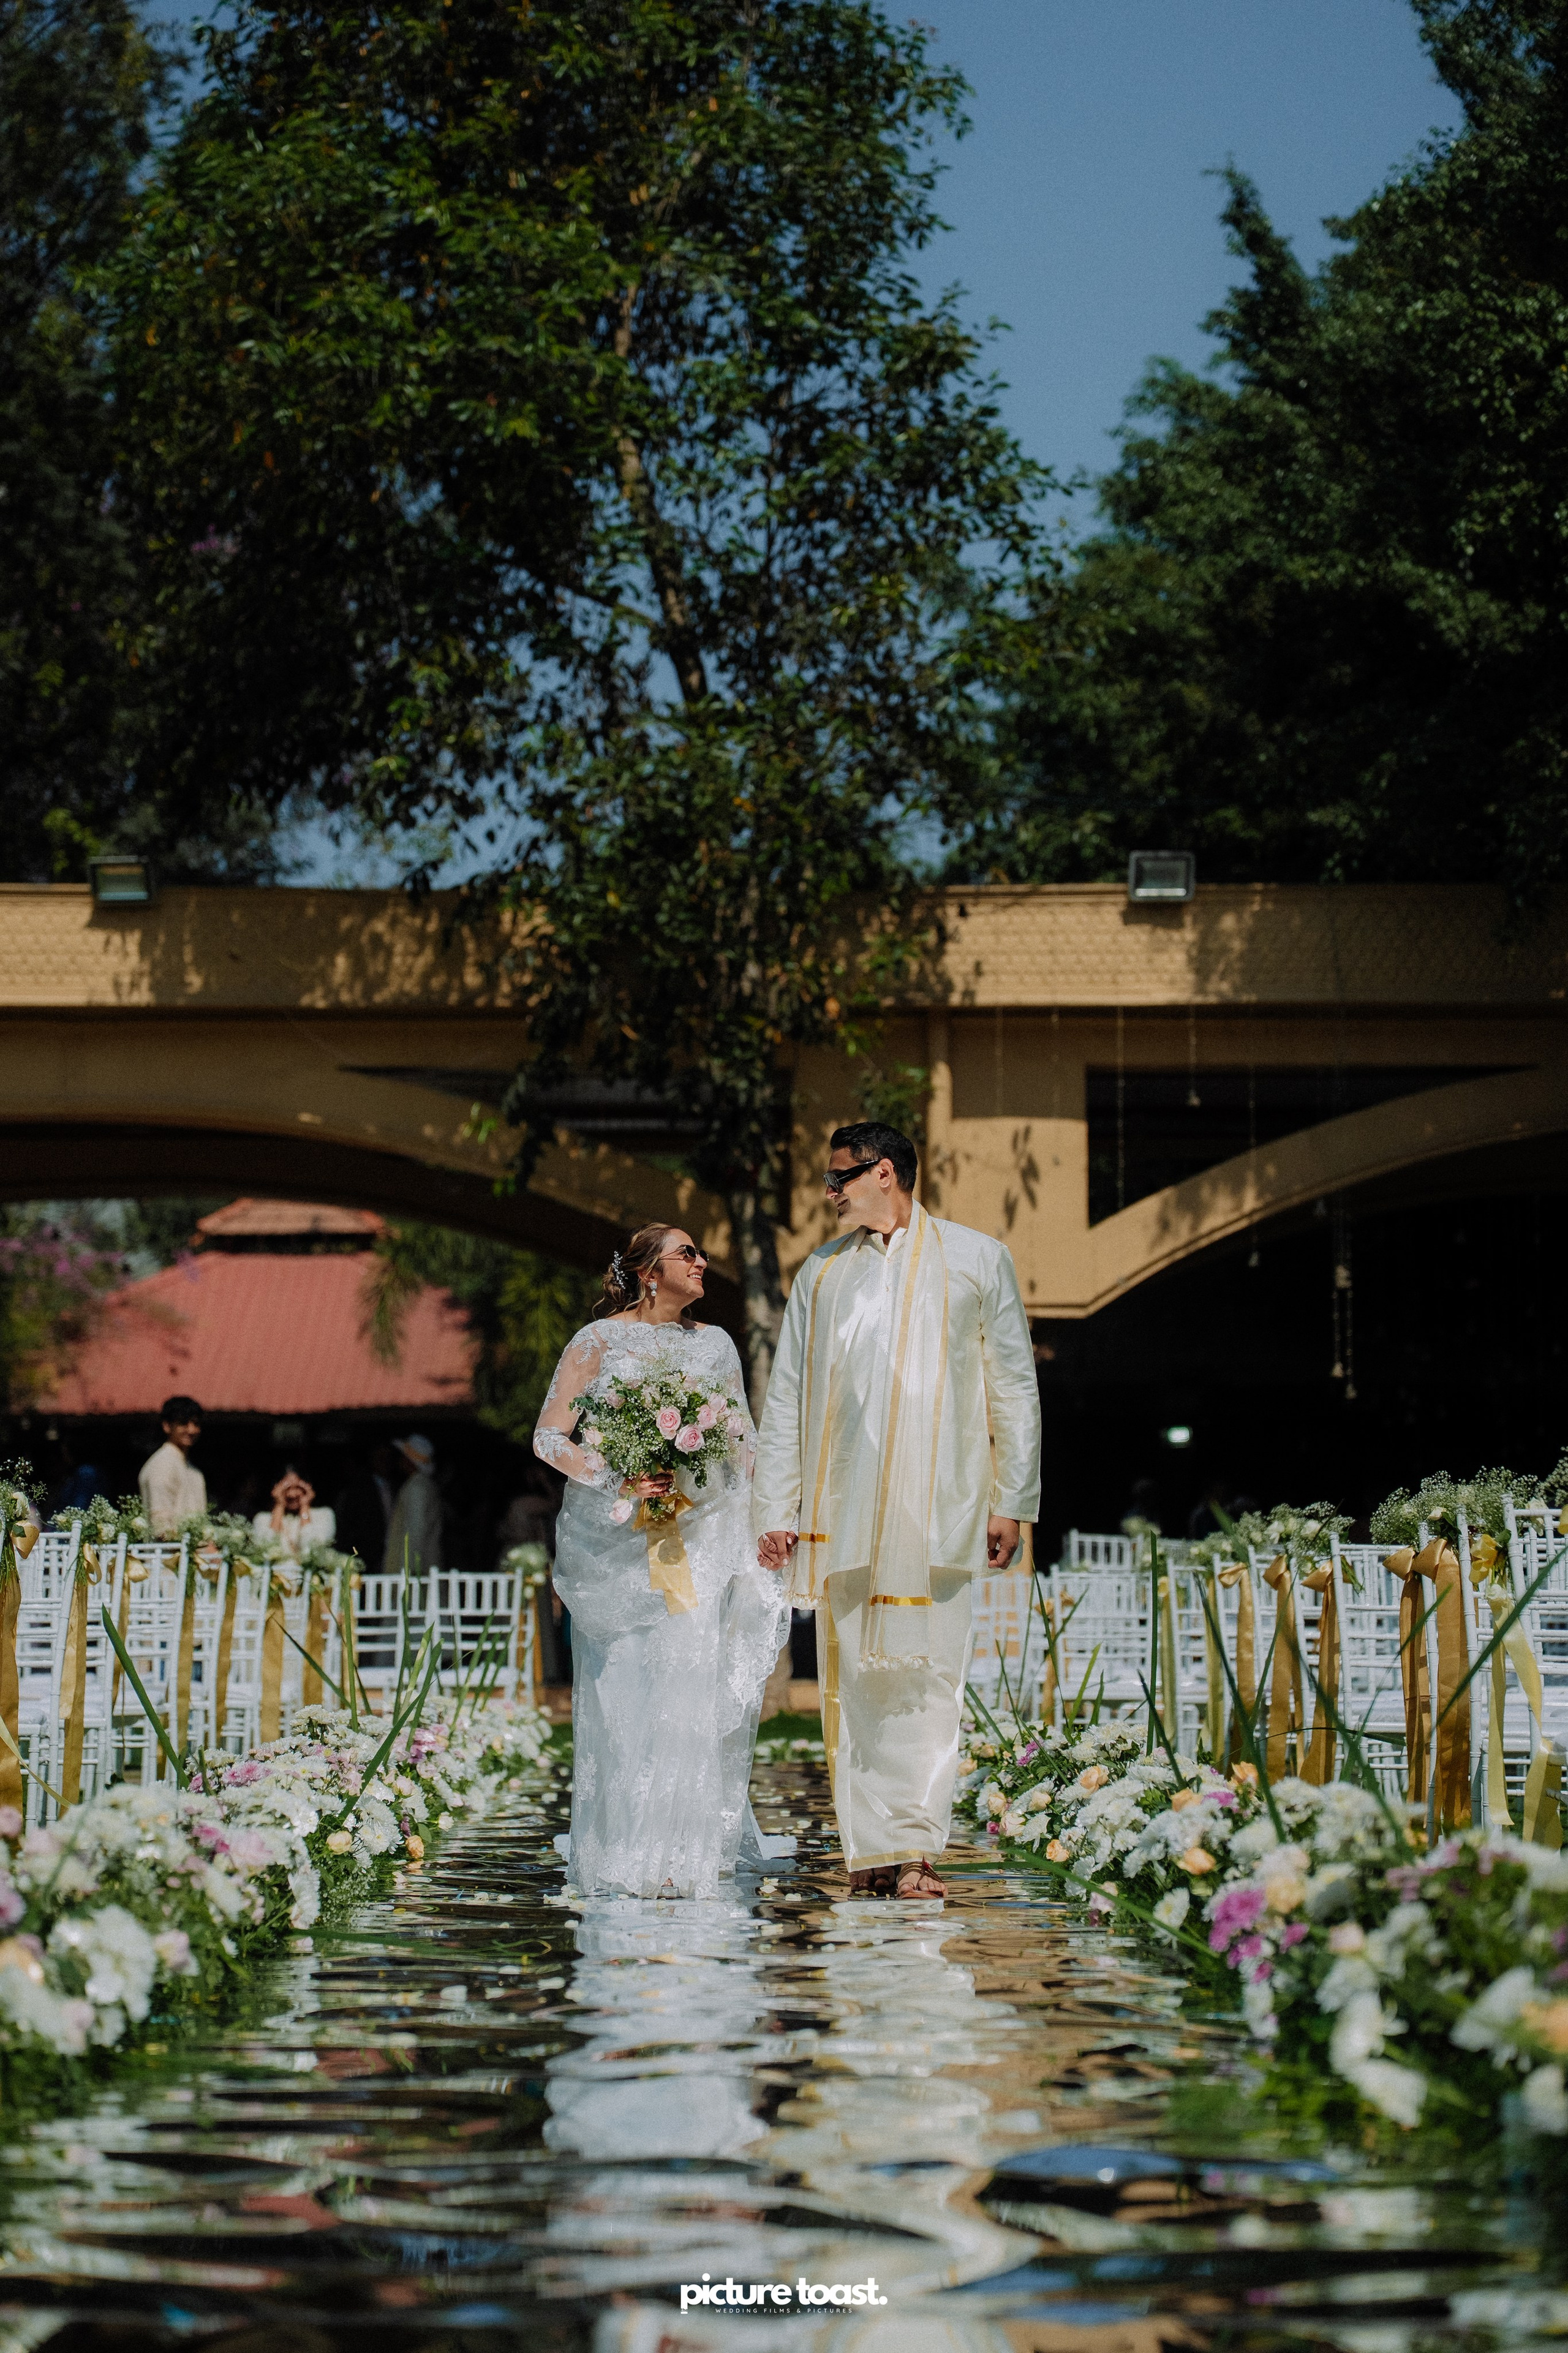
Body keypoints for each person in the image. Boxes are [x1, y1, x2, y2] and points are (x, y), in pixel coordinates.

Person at [753, 1121, 1041, 1902]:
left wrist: (1011, 1499)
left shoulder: (977, 1258)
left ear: (885, 1172)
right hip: (842, 1507)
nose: (828, 1192)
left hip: (941, 1503)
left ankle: (916, 1850)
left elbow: (1011, 1383)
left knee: (929, 1683)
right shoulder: (821, 1273)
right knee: (853, 1686)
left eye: (839, 1177)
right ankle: (868, 1850)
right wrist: (775, 1508)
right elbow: (787, 1397)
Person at [533, 1223, 788, 1898]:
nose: (702, 1263)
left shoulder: (715, 1344)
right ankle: (625, 1848)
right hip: (618, 1541)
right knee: (626, 1687)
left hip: (699, 1536)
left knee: (690, 1685)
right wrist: (616, 1473)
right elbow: (547, 1435)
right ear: (648, 1271)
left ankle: (685, 1851)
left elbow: (743, 1439)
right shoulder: (598, 1341)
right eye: (688, 1253)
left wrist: (768, 1520)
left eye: (701, 1254)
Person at [138, 1394, 208, 1536]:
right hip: (166, 1555)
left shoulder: (194, 1471)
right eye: (184, 1423)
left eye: (196, 1424)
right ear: (167, 1426)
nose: (192, 1430)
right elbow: (161, 1527)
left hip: (192, 1553)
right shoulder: (161, 1464)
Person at [383, 1435, 442, 1576]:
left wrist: (409, 1568)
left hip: (412, 1571)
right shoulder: (424, 1485)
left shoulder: (417, 1487)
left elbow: (417, 1529)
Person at [254, 1466, 336, 1560]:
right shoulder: (263, 1518)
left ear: (308, 1487)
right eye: (287, 1489)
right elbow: (265, 1551)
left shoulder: (324, 1515)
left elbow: (313, 1550)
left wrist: (305, 1507)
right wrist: (279, 1505)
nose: (292, 1495)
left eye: (298, 1488)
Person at [336, 1443, 394, 1568]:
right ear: (372, 1460)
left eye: (388, 1459)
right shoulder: (359, 1489)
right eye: (381, 1458)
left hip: (392, 1551)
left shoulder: (396, 1486)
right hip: (368, 1557)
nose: (385, 1463)